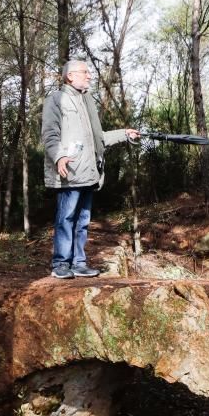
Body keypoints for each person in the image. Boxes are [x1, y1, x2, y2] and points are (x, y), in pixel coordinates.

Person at [42, 60, 139, 279]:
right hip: (70, 172)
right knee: (65, 218)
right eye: (84, 72)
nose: (89, 76)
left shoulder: (87, 101)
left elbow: (99, 139)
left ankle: (78, 263)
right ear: (70, 76)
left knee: (82, 221)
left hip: (89, 173)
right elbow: (49, 134)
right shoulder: (56, 99)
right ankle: (61, 264)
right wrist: (59, 156)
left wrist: (125, 134)